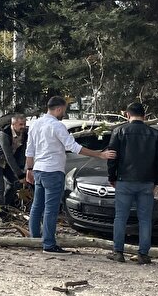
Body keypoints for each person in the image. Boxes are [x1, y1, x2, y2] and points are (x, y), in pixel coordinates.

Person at [24, 95, 116, 254]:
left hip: (38, 169)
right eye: (64, 110)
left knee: (37, 205)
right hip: (52, 170)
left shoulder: (35, 124)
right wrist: (99, 155)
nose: (64, 114)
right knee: (51, 209)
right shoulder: (57, 126)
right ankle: (49, 244)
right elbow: (73, 147)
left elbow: (29, 149)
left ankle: (34, 239)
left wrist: (29, 169)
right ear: (59, 108)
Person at [107, 101, 158, 265]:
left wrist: (112, 177)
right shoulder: (155, 134)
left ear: (127, 115)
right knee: (145, 219)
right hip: (147, 181)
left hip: (124, 180)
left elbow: (111, 157)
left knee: (120, 217)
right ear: (145, 116)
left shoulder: (119, 131)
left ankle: (118, 252)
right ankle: (143, 254)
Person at [0, 114, 28, 207]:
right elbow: (9, 156)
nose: (23, 127)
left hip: (5, 161)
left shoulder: (24, 134)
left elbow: (21, 153)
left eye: (24, 124)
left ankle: (6, 206)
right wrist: (19, 174)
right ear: (13, 124)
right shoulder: (4, 134)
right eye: (20, 124)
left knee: (14, 183)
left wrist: (21, 170)